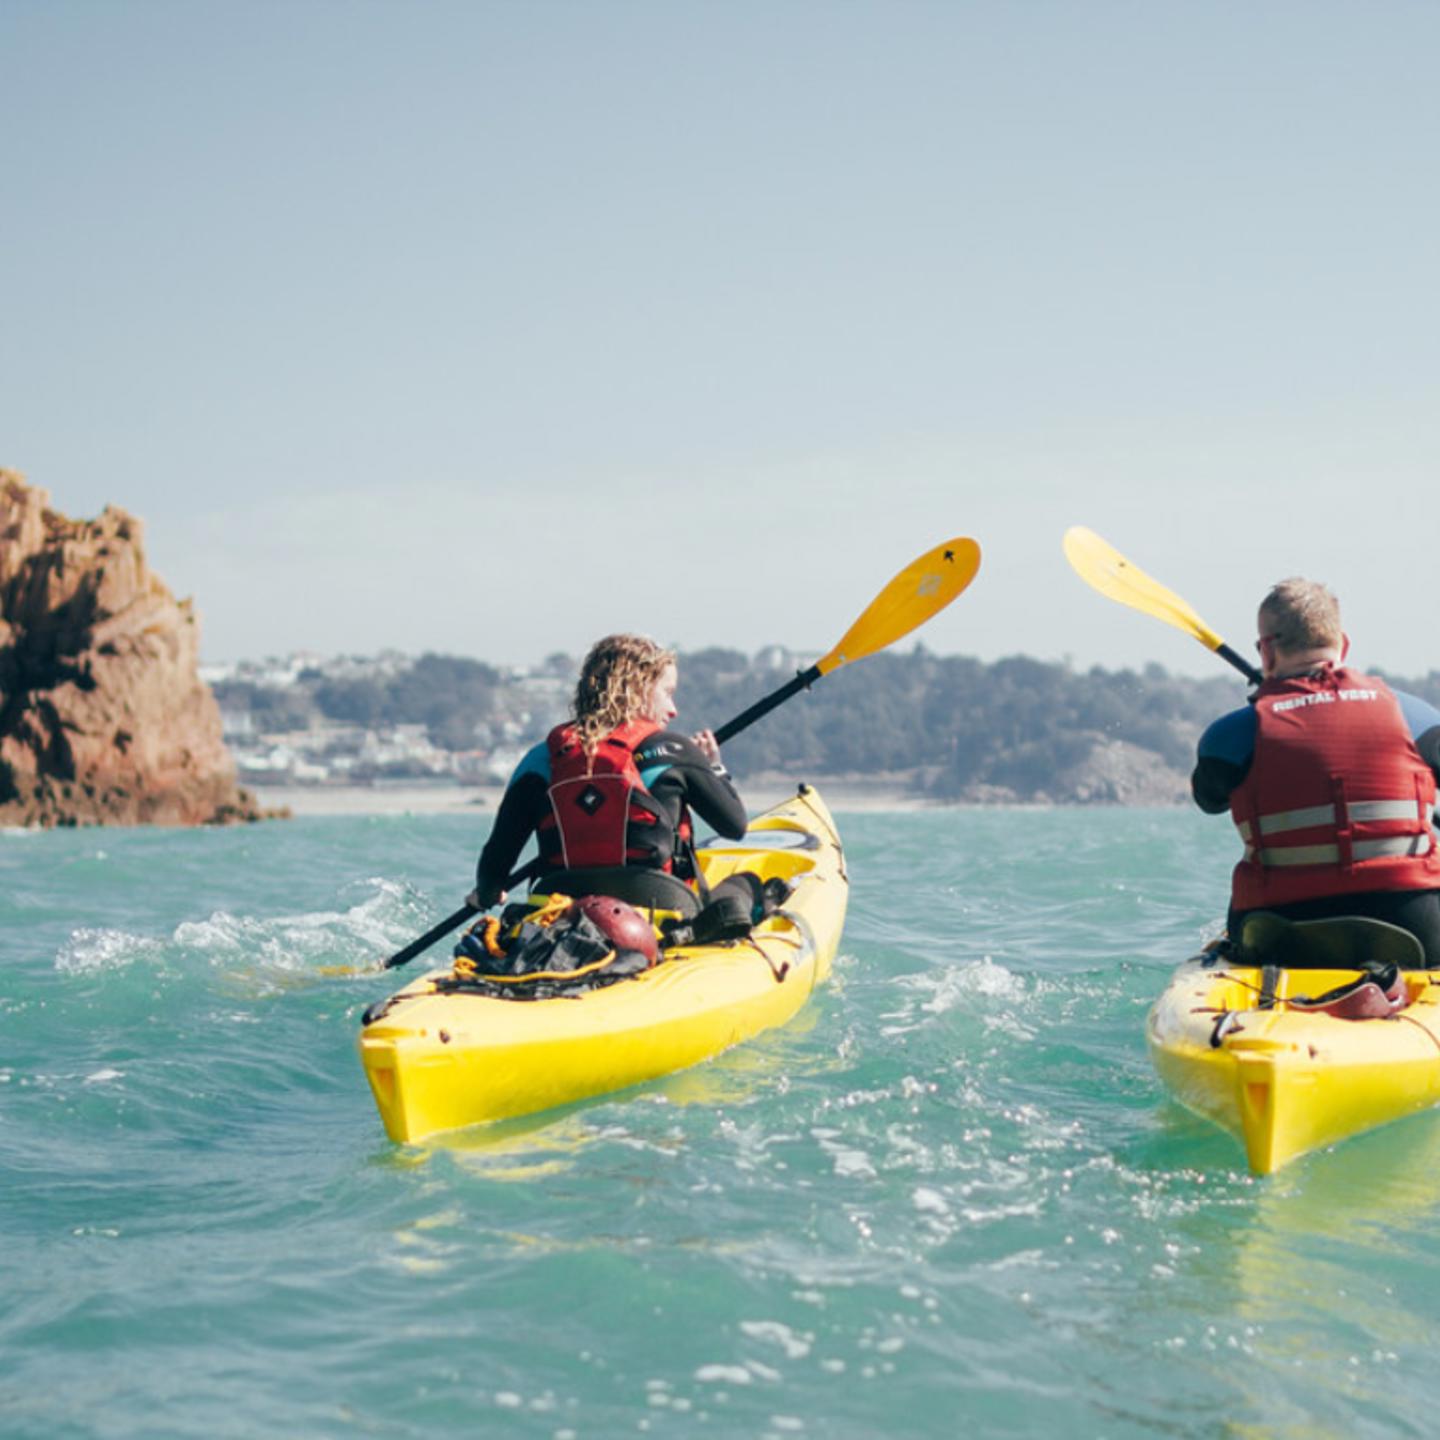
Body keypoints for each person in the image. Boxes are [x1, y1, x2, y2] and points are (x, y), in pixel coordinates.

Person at [1192, 578, 1440, 964]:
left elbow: (1209, 800)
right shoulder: (1418, 718)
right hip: (1414, 927)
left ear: (1267, 652)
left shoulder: (1231, 735)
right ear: (1343, 644)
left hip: (1279, 930)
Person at [469, 634, 749, 914]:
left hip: (560, 910)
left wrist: (488, 892)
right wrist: (713, 767)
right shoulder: (675, 750)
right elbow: (734, 826)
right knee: (748, 884)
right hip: (659, 907)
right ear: (638, 688)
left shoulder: (540, 759)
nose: (673, 710)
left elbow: (495, 863)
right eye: (667, 693)